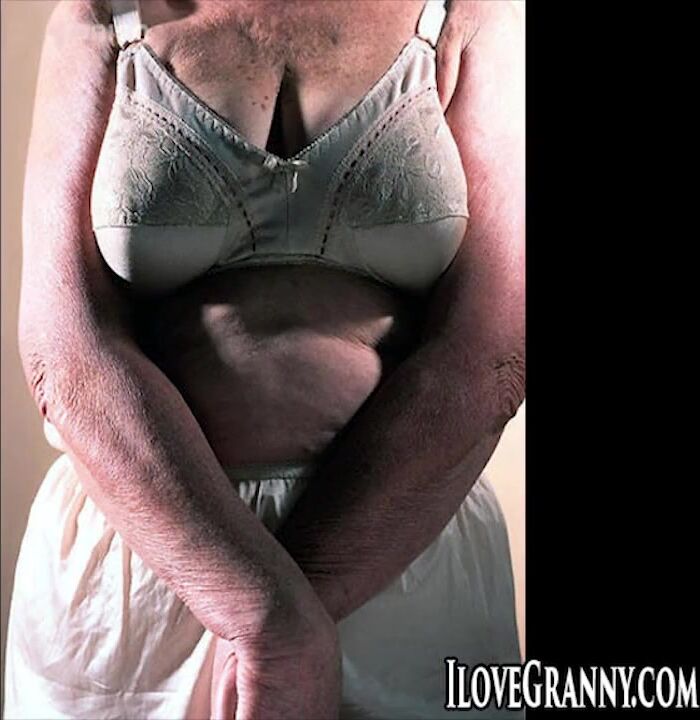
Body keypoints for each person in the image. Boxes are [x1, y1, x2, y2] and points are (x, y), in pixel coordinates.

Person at [3, 0, 525, 718]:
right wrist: (261, 617)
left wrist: (294, 619)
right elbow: (66, 351)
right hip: (142, 571)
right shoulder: (101, 16)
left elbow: (490, 352)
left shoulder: (468, 13)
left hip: (401, 555)